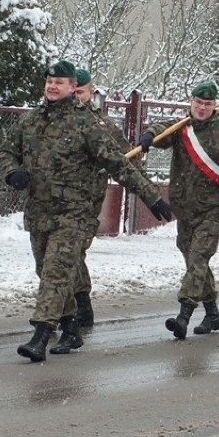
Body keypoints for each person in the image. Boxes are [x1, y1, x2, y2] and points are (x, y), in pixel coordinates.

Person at [0, 60, 172, 362]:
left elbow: (119, 163)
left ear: (71, 88)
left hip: (75, 215)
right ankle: (70, 327)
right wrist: (12, 172)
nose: (53, 86)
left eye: (60, 82)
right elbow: (6, 151)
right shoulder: (31, 121)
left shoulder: (87, 124)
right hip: (40, 213)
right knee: (47, 271)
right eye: (49, 81)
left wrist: (151, 196)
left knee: (55, 274)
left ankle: (40, 335)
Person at [138, 81, 219, 339]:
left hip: (211, 211)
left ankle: (184, 315)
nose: (201, 108)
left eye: (207, 104)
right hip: (184, 210)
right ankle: (212, 314)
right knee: (194, 262)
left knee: (198, 259)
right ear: (191, 102)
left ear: (215, 106)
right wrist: (149, 135)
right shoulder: (182, 128)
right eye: (198, 103)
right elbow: (161, 130)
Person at [71, 68, 138, 327]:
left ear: (91, 92)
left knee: (73, 251)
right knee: (59, 254)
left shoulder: (103, 125)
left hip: (87, 200)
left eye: (80, 92)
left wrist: (142, 187)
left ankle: (80, 304)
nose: (76, 97)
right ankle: (69, 306)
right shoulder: (57, 118)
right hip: (59, 199)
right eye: (73, 91)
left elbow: (127, 157)